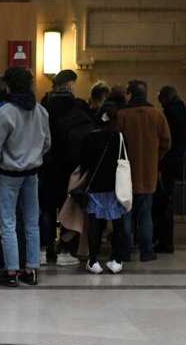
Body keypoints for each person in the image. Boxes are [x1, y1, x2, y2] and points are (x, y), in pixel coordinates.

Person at [0, 67, 50, 287]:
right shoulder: (41, 111)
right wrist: (34, 157)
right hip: (32, 173)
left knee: (8, 223)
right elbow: (47, 143)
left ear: (8, 86)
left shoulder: (4, 113)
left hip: (8, 174)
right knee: (31, 222)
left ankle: (11, 271)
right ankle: (31, 269)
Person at [40, 69, 94, 267]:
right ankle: (65, 248)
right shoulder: (78, 108)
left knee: (46, 208)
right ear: (70, 85)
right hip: (71, 167)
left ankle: (44, 249)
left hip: (45, 165)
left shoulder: (43, 107)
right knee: (69, 207)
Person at [118, 80, 171, 261]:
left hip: (125, 173)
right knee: (145, 214)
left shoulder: (122, 115)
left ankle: (125, 252)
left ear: (130, 94)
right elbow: (166, 142)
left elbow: (116, 142)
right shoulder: (157, 115)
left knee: (125, 213)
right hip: (149, 172)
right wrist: (155, 158)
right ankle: (146, 251)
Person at [79, 92, 131, 274]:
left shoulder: (90, 137)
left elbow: (84, 162)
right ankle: (116, 260)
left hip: (95, 186)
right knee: (117, 223)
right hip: (116, 187)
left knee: (94, 223)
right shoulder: (120, 138)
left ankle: (93, 260)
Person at [156, 86, 186, 254]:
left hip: (168, 162)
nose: (160, 103)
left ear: (166, 98)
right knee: (167, 202)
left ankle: (164, 242)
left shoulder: (169, 112)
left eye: (161, 99)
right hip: (178, 160)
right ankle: (165, 241)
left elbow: (165, 139)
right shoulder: (184, 111)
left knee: (163, 203)